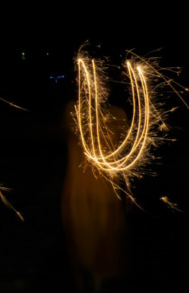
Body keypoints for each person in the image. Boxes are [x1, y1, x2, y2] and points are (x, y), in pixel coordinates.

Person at [61, 100, 130, 293]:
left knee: (104, 236)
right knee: (81, 238)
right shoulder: (73, 110)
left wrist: (128, 189)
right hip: (78, 188)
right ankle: (83, 280)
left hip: (105, 190)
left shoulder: (118, 114)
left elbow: (122, 154)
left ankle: (96, 280)